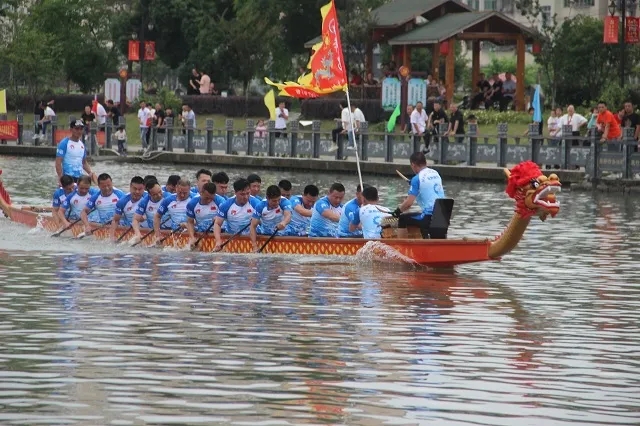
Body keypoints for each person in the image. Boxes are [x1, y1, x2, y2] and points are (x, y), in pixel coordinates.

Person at [391, 151, 446, 239]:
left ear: (413, 165)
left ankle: (401, 247)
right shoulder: (436, 173)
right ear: (425, 162)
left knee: (402, 219)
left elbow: (408, 204)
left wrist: (397, 212)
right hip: (443, 216)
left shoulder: (416, 179)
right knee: (420, 217)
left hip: (429, 218)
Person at [213, 178, 261, 251]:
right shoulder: (226, 205)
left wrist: (258, 220)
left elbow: (264, 221)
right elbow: (217, 224)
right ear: (235, 192)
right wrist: (218, 241)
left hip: (252, 238)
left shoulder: (256, 203)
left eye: (248, 193)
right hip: (231, 238)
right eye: (242, 194)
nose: (245, 197)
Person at [249, 185, 292, 252]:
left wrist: (283, 222)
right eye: (274, 201)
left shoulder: (284, 202)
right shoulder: (260, 206)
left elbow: (288, 215)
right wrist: (254, 246)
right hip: (266, 234)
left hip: (283, 235)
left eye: (278, 200)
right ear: (267, 198)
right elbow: (253, 226)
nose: (277, 203)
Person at [55, 120, 96, 184]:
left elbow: (84, 162)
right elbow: (58, 162)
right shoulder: (64, 143)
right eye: (76, 129)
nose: (79, 131)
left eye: (81, 129)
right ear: (71, 129)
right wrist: (60, 177)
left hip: (79, 179)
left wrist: (91, 173)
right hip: (67, 179)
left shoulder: (82, 145)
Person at [186, 182, 226, 247]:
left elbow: (226, 217)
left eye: (211, 198)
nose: (209, 201)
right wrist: (192, 237)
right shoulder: (192, 204)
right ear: (201, 193)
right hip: (201, 233)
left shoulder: (220, 201)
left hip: (220, 232)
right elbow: (190, 222)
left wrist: (218, 217)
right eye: (207, 198)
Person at [109, 176, 146, 241]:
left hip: (147, 229)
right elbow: (115, 220)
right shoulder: (122, 201)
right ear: (130, 187)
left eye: (140, 189)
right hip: (130, 231)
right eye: (135, 188)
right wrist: (112, 237)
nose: (137, 192)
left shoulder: (148, 198)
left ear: (144, 188)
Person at [131, 179, 168, 244]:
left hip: (169, 230)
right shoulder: (144, 202)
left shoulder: (169, 197)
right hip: (154, 232)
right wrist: (138, 234)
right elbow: (135, 220)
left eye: (160, 192)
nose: (159, 195)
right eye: (155, 194)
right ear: (149, 194)